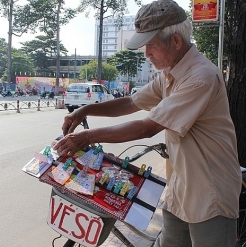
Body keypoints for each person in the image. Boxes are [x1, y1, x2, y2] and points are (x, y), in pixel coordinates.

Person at [53, 0, 241, 246]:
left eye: (151, 46)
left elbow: (148, 127)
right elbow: (131, 102)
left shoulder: (200, 76)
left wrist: (86, 137)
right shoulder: (170, 74)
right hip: (181, 186)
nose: (146, 54)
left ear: (175, 41)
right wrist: (85, 110)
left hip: (210, 190)